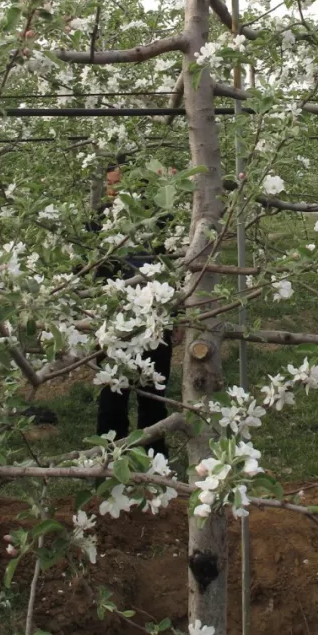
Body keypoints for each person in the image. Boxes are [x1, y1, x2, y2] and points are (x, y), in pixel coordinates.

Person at [94, 164, 174, 440]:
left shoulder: (156, 221)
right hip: (115, 318)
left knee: (153, 392)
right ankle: (109, 457)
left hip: (155, 317)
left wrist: (167, 182)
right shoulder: (101, 220)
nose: (112, 190)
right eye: (109, 183)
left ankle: (153, 456)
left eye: (117, 183)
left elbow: (174, 226)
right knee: (112, 392)